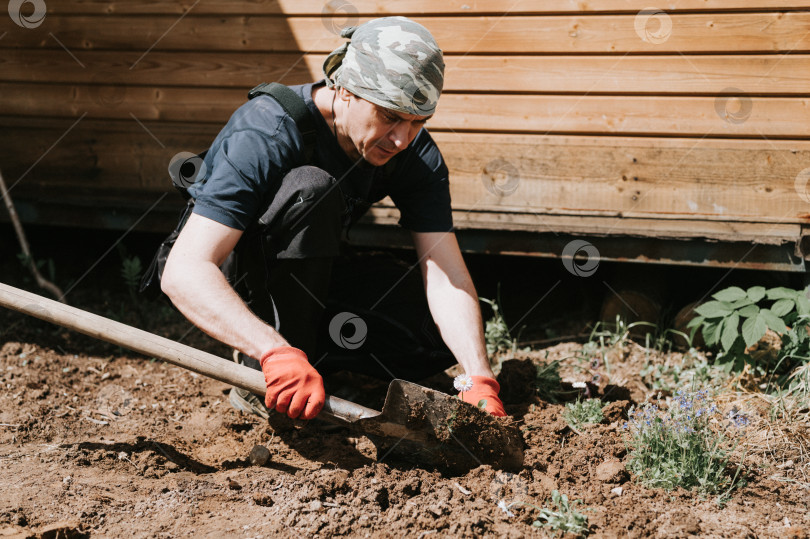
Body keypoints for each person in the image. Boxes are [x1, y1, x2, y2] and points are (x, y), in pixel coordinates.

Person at [160, 16, 506, 422]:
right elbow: (185, 270)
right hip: (244, 276)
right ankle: (264, 366)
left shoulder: (412, 151)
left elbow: (447, 274)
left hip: (314, 272)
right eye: (390, 116)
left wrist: (479, 377)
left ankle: (315, 360)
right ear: (344, 89)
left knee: (434, 337)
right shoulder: (266, 129)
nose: (402, 139)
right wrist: (275, 353)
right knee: (312, 190)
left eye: (417, 122)